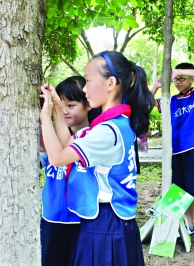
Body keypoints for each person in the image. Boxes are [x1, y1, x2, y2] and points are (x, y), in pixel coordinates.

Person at [40, 51, 154, 266]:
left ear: (111, 83)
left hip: (106, 227)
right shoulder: (114, 124)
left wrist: (45, 117)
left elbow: (57, 157)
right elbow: (68, 145)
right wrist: (56, 108)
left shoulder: (108, 131)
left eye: (89, 80)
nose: (84, 88)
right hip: (108, 225)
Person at [150, 63, 194, 251]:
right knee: (183, 193)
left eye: (182, 78)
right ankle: (190, 226)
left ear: (190, 79)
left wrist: (178, 71)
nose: (178, 82)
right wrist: (156, 85)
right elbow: (147, 103)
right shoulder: (170, 100)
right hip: (176, 152)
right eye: (175, 80)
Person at [40, 76, 101, 266]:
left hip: (80, 221)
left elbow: (59, 156)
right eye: (61, 105)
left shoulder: (94, 137)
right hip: (51, 217)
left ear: (88, 104)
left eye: (72, 105)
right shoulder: (49, 137)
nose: (65, 111)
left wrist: (47, 118)